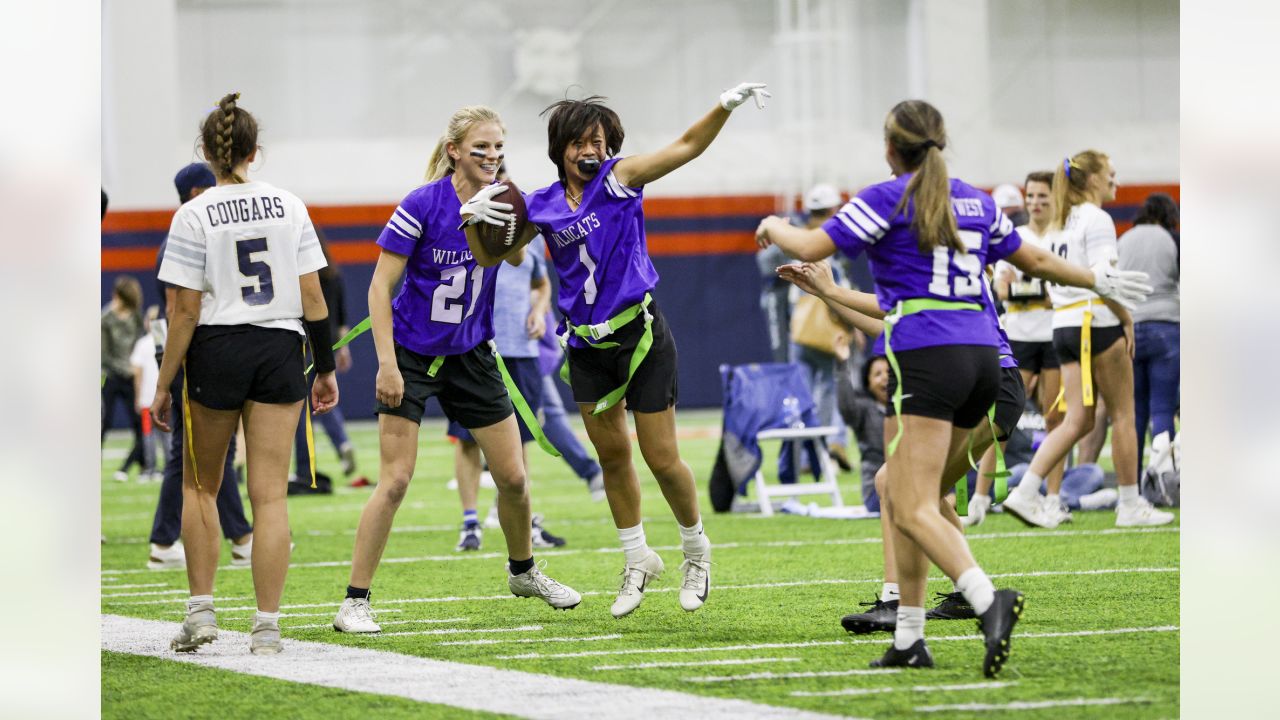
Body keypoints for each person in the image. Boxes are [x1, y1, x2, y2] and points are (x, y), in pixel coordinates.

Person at [756, 100, 1151, 675]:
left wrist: (772, 226)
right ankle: (910, 638)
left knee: (909, 501)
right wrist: (1095, 277)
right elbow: (1035, 258)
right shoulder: (975, 200)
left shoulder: (886, 197)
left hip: (933, 359)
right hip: (983, 362)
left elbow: (810, 246)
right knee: (902, 488)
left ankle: (988, 601)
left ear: (890, 148)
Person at [472, 83, 769, 618]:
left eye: (600, 141)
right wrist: (478, 217)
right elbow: (496, 258)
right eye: (581, 142)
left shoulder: (621, 178)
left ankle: (696, 549)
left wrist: (722, 106)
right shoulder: (538, 204)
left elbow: (685, 146)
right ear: (560, 147)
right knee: (612, 456)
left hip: (639, 334)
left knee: (661, 456)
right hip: (586, 345)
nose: (591, 151)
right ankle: (637, 558)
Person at [333, 106, 581, 635]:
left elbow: (513, 262)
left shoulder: (502, 198)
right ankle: (355, 600)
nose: (491, 157)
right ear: (454, 150)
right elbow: (380, 288)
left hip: (472, 353)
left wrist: (501, 223)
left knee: (513, 476)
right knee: (396, 480)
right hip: (414, 355)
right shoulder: (422, 203)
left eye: (497, 148)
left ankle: (523, 571)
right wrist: (386, 363)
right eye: (480, 148)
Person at [151, 92, 340, 655]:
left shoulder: (192, 212)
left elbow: (183, 311)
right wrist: (325, 368)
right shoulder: (291, 205)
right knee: (270, 499)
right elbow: (314, 295)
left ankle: (202, 615)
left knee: (201, 486)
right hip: (281, 347)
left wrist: (163, 385)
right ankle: (266, 628)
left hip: (218, 346)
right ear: (256, 151)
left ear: (207, 152)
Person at [1001, 151, 1175, 529]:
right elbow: (1103, 279)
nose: (1115, 179)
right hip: (1094, 320)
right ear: (1093, 178)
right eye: (1110, 173)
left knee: (1075, 420)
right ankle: (1130, 504)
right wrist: (1125, 317)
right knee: (1123, 414)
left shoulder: (1060, 219)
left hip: (1063, 324)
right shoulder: (1096, 219)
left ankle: (1027, 490)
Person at [145, 161, 254, 571]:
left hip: (191, 351)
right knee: (196, 451)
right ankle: (234, 536)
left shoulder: (191, 230)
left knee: (204, 451)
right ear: (196, 193)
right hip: (187, 352)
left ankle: (236, 536)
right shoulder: (184, 235)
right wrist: (172, 371)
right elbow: (177, 310)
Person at [451, 227, 564, 553]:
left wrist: (540, 312)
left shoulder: (531, 234)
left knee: (523, 440)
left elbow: (541, 283)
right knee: (467, 438)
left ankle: (519, 519)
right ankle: (469, 521)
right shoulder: (469, 229)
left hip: (523, 351)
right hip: (478, 348)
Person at [989, 170, 1067, 523]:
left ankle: (1052, 497)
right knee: (1003, 417)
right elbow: (1003, 291)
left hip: (1053, 335)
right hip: (1018, 335)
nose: (1036, 203)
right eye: (1031, 196)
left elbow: (1060, 294)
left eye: (1042, 197)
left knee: (1056, 418)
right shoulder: (1014, 237)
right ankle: (985, 495)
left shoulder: (1063, 235)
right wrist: (1041, 292)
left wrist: (1033, 292)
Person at [291, 228, 362, 485]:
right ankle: (342, 442)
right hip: (330, 342)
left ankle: (304, 466)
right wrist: (344, 348)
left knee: (302, 409)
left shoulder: (301, 274)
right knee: (324, 401)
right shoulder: (333, 274)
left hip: (306, 345)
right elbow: (341, 317)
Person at [1118, 193, 1179, 473]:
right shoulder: (1171, 240)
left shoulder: (1124, 240)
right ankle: (1164, 477)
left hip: (1129, 326)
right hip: (1166, 326)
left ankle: (1135, 484)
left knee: (1134, 412)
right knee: (1163, 408)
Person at [102, 275, 145, 482]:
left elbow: (141, 345)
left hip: (132, 378)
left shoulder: (137, 318)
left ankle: (135, 466)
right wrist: (125, 367)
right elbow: (103, 354)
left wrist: (134, 368)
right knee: (103, 423)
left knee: (141, 425)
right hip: (112, 377)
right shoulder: (106, 319)